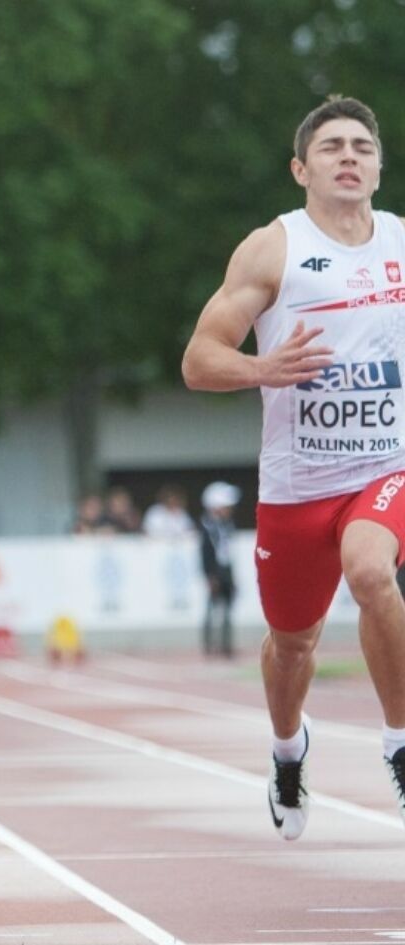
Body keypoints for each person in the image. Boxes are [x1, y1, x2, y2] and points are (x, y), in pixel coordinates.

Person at [182, 94, 405, 841]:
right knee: (293, 645)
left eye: (363, 147)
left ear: (378, 166)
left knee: (373, 571)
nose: (350, 156)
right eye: (333, 146)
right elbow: (198, 360)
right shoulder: (272, 248)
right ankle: (287, 749)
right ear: (300, 167)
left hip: (385, 464)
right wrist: (262, 368)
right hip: (298, 484)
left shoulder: (403, 244)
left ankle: (399, 742)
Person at [198, 481, 240, 659]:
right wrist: (210, 576)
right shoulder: (207, 527)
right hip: (215, 572)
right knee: (212, 610)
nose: (229, 509)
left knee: (227, 609)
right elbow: (205, 554)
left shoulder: (227, 525)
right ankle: (209, 645)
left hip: (226, 570)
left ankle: (226, 645)